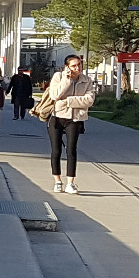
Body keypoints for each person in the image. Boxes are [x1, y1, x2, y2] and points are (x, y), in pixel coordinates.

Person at [46, 54, 97, 194]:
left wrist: (68, 101)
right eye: (74, 65)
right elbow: (55, 95)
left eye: (79, 65)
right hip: (57, 117)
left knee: (71, 150)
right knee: (56, 150)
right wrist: (66, 81)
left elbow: (89, 100)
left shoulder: (86, 80)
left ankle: (70, 183)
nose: (77, 68)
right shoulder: (58, 77)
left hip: (75, 119)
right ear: (67, 67)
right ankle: (57, 181)